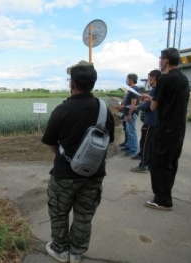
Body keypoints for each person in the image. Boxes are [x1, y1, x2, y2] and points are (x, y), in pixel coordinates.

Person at [41, 60, 115, 263]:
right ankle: (76, 253)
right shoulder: (103, 110)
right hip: (94, 174)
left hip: (64, 174)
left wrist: (63, 155)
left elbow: (49, 142)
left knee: (58, 212)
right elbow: (110, 141)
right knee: (84, 215)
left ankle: (59, 249)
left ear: (71, 84)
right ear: (93, 84)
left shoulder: (61, 110)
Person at [141, 48, 189, 211]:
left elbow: (154, 107)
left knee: (159, 164)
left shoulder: (165, 79)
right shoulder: (183, 79)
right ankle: (165, 195)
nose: (160, 61)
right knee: (170, 164)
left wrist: (150, 100)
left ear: (166, 61)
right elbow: (168, 100)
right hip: (178, 129)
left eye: (161, 59)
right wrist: (151, 97)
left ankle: (162, 200)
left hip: (165, 129)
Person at [130, 70, 161, 173]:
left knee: (145, 143)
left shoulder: (154, 90)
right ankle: (149, 163)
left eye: (149, 78)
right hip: (156, 122)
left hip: (150, 121)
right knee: (151, 144)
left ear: (153, 78)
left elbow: (148, 107)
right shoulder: (159, 90)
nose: (148, 80)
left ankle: (144, 165)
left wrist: (137, 107)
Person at [120, 73, 140, 157]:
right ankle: (129, 146)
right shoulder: (131, 89)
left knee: (132, 132)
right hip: (127, 113)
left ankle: (134, 149)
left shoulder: (134, 90)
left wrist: (129, 114)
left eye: (127, 79)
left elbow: (133, 103)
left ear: (131, 80)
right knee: (128, 131)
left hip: (131, 114)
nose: (126, 80)